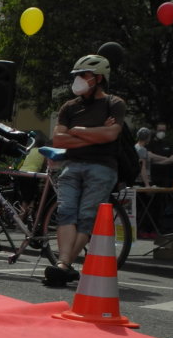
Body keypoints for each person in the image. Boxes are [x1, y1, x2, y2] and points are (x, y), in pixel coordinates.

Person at [44, 54, 124, 286]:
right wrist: (94, 134)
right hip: (72, 165)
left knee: (87, 216)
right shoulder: (69, 106)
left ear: (98, 78)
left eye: (83, 75)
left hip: (102, 168)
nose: (78, 79)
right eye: (76, 75)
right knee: (67, 212)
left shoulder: (114, 103)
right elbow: (58, 140)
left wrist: (75, 131)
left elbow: (112, 134)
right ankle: (64, 264)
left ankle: (63, 264)